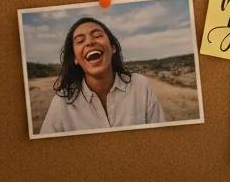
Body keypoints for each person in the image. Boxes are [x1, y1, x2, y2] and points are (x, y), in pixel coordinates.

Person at [38, 16, 166, 135]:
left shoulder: (140, 85)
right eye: (80, 41)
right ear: (75, 59)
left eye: (97, 35)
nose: (90, 42)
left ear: (113, 47)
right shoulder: (61, 103)